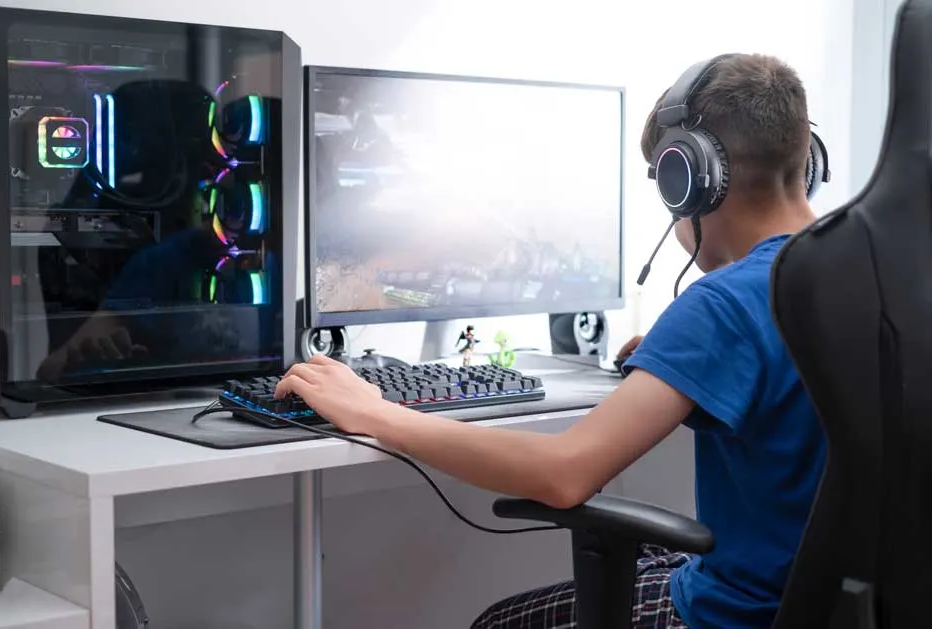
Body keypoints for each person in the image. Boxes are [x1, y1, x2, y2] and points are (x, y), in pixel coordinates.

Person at [274, 53, 827, 629]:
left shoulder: (722, 306)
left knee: (497, 623)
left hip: (731, 616)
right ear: (804, 160)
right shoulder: (874, 270)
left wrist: (379, 413)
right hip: (835, 603)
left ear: (688, 178)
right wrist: (680, 363)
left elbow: (564, 473)